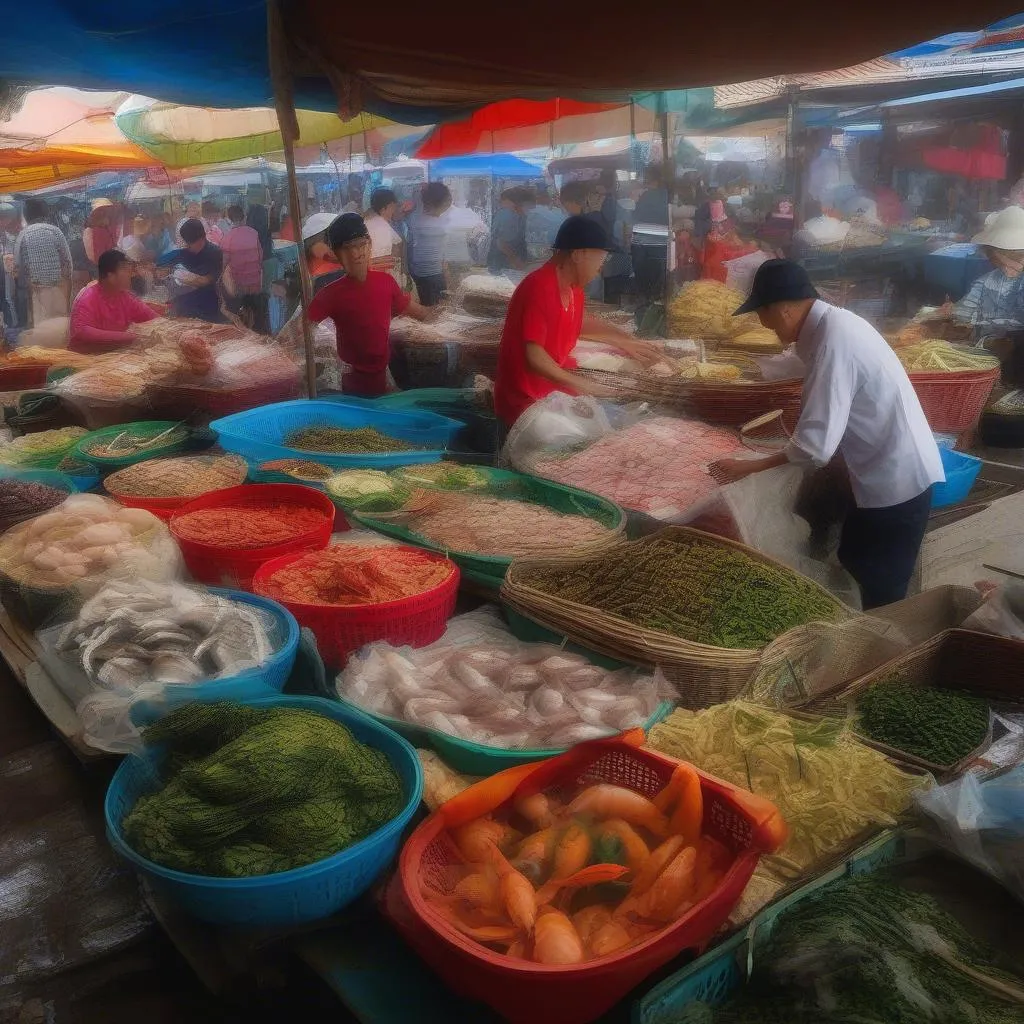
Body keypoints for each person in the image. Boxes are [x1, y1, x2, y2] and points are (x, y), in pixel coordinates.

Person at [710, 259, 944, 609]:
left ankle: (884, 657)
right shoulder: (832, 326)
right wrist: (736, 373)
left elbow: (814, 448)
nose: (762, 323)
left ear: (783, 309)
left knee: (878, 591)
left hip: (897, 485)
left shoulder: (835, 342)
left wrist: (749, 466)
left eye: (762, 313)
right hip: (883, 475)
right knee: (852, 558)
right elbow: (793, 364)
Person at [493, 215, 660, 428]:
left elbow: (576, 323)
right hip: (526, 404)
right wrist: (584, 385)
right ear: (579, 254)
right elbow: (534, 357)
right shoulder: (539, 286)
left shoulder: (574, 289)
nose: (601, 267)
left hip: (553, 394)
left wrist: (625, 340)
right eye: (601, 259)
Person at [306, 213, 435, 396]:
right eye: (347, 248)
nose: (357, 254)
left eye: (361, 244)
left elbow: (419, 312)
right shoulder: (330, 294)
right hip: (350, 386)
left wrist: (447, 314)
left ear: (370, 244)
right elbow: (300, 330)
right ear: (336, 254)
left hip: (382, 380)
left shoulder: (386, 282)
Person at [934, 206, 1024, 346]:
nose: (1007, 270)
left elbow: (1018, 323)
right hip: (981, 349)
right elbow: (968, 307)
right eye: (1001, 263)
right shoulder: (985, 281)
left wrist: (981, 325)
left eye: (1015, 263)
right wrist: (954, 310)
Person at [68, 249, 157, 352]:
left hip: (114, 355)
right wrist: (130, 337)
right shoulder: (88, 297)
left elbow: (152, 318)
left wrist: (173, 329)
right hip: (86, 359)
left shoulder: (126, 297)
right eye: (126, 271)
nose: (131, 275)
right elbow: (82, 331)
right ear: (111, 276)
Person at [14, 197, 72, 325]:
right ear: (45, 213)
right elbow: (67, 261)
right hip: (58, 287)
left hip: (36, 289)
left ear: (26, 215)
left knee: (41, 325)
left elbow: (17, 266)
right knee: (59, 323)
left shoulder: (23, 235)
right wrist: (67, 284)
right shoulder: (55, 231)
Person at [156, 218, 225, 322]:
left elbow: (206, 280)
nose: (187, 246)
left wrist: (178, 274)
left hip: (207, 307)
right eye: (186, 243)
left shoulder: (215, 253)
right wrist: (161, 269)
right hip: (184, 306)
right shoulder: (185, 251)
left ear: (202, 238)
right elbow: (160, 262)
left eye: (190, 243)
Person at [408, 182, 452, 306]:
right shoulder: (419, 218)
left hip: (428, 273)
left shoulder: (415, 218)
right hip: (427, 275)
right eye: (446, 201)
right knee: (436, 311)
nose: (448, 204)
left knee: (433, 310)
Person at [220, 204, 264, 326]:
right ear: (244, 217)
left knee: (225, 274)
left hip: (239, 287)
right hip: (256, 285)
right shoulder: (254, 233)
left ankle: (239, 319)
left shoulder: (227, 238)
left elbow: (223, 264)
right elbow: (260, 257)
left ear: (229, 219)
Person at [488, 187, 527, 274]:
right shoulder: (507, 214)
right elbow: (501, 243)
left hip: (502, 263)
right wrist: (516, 261)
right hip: (504, 265)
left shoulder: (511, 213)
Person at [364, 187, 403, 272]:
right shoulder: (381, 227)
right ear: (384, 208)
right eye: (393, 207)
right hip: (380, 272)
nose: (394, 210)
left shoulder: (370, 221)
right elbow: (389, 254)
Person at [525, 188, 566, 267]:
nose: (552, 199)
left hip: (532, 251)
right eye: (551, 197)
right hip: (546, 251)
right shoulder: (545, 211)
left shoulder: (528, 211)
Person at [82, 199, 118, 277]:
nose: (109, 214)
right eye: (106, 211)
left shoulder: (106, 229)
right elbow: (94, 257)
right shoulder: (91, 231)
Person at [0, 202, 20, 328]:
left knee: (9, 296)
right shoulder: (5, 231)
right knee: (8, 297)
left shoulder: (10, 232)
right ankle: (12, 324)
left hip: (7, 268)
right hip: (5, 268)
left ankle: (12, 324)